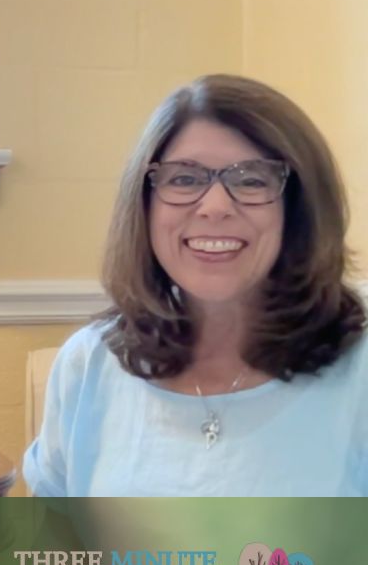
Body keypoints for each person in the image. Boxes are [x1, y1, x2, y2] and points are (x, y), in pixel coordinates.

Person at [23, 74, 368, 496]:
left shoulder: (358, 368)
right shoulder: (90, 363)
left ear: (299, 207)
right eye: (184, 179)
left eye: (251, 179)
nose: (215, 206)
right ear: (145, 205)